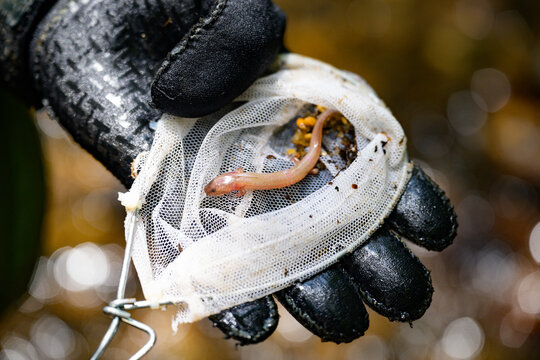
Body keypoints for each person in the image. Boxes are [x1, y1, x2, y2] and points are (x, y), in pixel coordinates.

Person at [0, 0, 456, 345]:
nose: (217, 187)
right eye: (220, 185)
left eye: (218, 185)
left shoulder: (235, 182)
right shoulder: (233, 183)